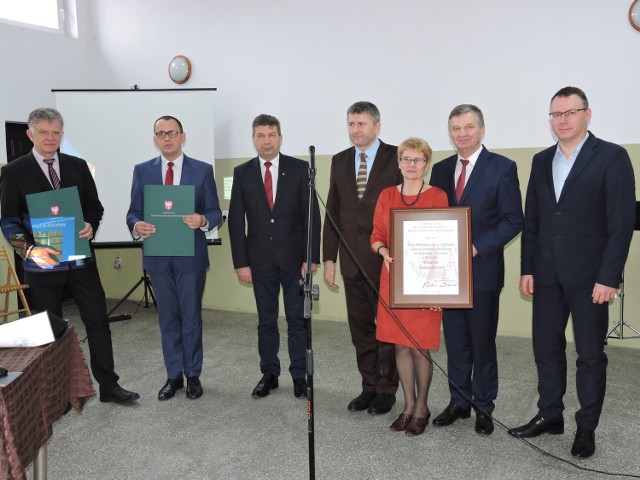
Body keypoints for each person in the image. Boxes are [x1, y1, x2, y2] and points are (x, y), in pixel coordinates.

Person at [508, 86, 636, 459]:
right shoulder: (542, 159)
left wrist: (609, 277)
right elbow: (533, 219)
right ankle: (550, 415)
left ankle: (586, 427)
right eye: (556, 114)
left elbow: (621, 224)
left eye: (570, 112)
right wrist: (527, 267)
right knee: (546, 349)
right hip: (545, 275)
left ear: (587, 114)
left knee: (590, 355)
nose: (562, 120)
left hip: (591, 278)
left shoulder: (612, 157)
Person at [0, 107, 139, 404]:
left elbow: (94, 206)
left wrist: (91, 224)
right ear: (30, 134)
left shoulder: (78, 166)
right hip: (42, 265)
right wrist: (29, 250)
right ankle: (57, 395)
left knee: (98, 322)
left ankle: (110, 387)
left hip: (80, 261)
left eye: (55, 133)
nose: (50, 138)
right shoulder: (13, 172)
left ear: (62, 134)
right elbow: (8, 221)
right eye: (43, 132)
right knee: (50, 329)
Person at [429, 104, 523, 435]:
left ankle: (484, 406)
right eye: (456, 128)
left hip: (482, 271)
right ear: (450, 132)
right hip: (447, 275)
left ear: (482, 130)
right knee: (455, 341)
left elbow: (514, 219)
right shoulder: (439, 170)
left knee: (482, 342)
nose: (462, 133)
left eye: (469, 127)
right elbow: (434, 218)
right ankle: (459, 402)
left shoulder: (502, 167)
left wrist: (476, 246)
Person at [126, 115, 221, 401]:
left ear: (183, 136)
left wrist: (203, 219)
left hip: (190, 258)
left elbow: (216, 212)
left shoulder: (202, 170)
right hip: (157, 257)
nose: (167, 138)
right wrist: (135, 226)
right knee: (167, 319)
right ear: (155, 139)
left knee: (191, 318)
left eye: (172, 132)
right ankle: (173, 377)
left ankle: (193, 376)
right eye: (161, 133)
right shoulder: (142, 171)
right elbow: (133, 212)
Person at [228, 114, 320, 399]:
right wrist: (241, 262)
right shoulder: (242, 172)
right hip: (259, 263)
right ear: (253, 139)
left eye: (271, 135)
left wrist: (310, 256)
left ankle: (299, 375)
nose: (266, 141)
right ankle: (269, 373)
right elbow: (235, 221)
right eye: (260, 135)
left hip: (294, 262)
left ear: (280, 137)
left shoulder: (300, 169)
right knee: (266, 321)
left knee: (297, 320)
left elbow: (312, 217)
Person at [323, 101, 402, 415]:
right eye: (351, 124)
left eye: (362, 124)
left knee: (386, 328)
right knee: (360, 330)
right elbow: (333, 212)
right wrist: (328, 259)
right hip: (351, 260)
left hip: (385, 261)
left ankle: (387, 389)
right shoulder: (340, 161)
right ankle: (369, 386)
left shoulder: (396, 157)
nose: (356, 130)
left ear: (377, 126)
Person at [370, 137, 448, 436]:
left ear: (426, 164)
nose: (412, 165)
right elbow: (376, 234)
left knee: (421, 348)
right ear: (399, 163)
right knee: (401, 346)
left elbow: (443, 242)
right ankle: (407, 405)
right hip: (393, 281)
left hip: (426, 282)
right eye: (406, 159)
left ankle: (422, 408)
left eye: (418, 160)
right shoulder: (387, 196)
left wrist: (440, 288)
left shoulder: (438, 196)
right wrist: (383, 252)